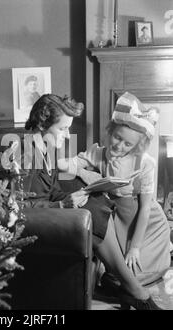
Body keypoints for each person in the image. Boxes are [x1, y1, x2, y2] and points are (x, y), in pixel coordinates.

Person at [19, 93, 163, 310]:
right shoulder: (25, 154)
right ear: (42, 124)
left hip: (50, 211)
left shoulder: (44, 149)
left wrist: (85, 183)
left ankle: (127, 285)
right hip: (39, 221)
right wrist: (62, 205)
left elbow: (53, 188)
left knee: (94, 201)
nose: (67, 136)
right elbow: (18, 207)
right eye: (63, 129)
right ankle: (134, 290)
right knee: (93, 211)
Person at [62, 92, 171, 287]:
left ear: (137, 145)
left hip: (145, 224)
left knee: (136, 272)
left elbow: (146, 209)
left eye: (127, 143)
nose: (119, 145)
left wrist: (135, 247)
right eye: (116, 137)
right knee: (120, 275)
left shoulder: (145, 164)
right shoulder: (97, 153)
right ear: (110, 131)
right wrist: (83, 172)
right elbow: (63, 164)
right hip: (116, 220)